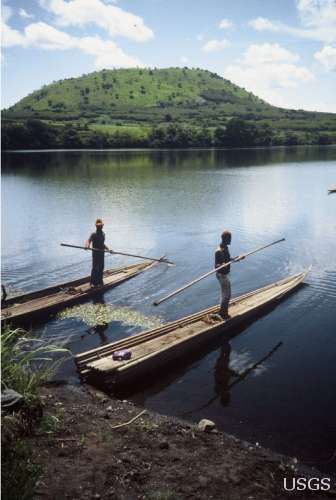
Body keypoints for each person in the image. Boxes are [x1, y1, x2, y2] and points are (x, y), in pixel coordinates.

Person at [214, 230, 244, 320]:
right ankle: (223, 314)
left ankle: (222, 311)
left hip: (226, 274)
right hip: (221, 276)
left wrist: (237, 258)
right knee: (227, 295)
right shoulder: (218, 251)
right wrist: (221, 265)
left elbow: (228, 259)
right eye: (230, 238)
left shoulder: (226, 247)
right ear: (225, 239)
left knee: (225, 294)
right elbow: (216, 266)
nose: (231, 240)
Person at [85, 218, 110, 287]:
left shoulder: (103, 234)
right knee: (95, 268)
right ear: (96, 226)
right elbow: (88, 240)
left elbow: (102, 244)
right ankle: (92, 283)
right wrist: (87, 245)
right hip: (95, 253)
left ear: (102, 226)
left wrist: (108, 249)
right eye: (98, 226)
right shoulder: (93, 234)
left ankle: (100, 281)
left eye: (101, 226)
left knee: (101, 267)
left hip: (102, 253)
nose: (100, 227)